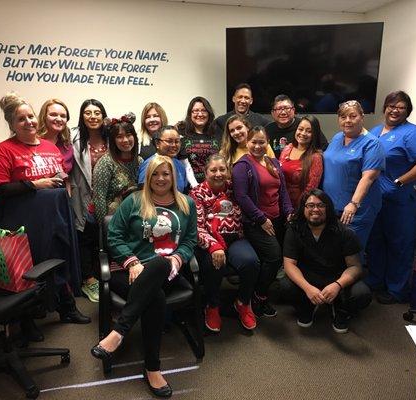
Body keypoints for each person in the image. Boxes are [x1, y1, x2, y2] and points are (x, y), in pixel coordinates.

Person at [91, 155, 197, 398]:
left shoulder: (187, 204)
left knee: (160, 264)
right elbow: (114, 236)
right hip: (129, 272)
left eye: (166, 173)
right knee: (155, 297)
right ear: (148, 177)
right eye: (156, 174)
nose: (161, 178)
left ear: (174, 176)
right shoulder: (133, 201)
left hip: (166, 271)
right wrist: (133, 262)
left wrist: (178, 258)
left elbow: (190, 239)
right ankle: (152, 368)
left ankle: (119, 332)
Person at [0, 92, 90, 328]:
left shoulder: (49, 147)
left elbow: (61, 177)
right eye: (21, 119)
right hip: (23, 221)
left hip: (55, 217)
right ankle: (27, 321)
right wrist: (34, 184)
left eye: (30, 116)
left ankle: (67, 308)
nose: (28, 122)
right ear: (12, 125)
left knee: (59, 260)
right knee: (28, 267)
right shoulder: (4, 150)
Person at [366, 91, 416, 304]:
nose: (395, 110)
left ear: (407, 111)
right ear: (385, 107)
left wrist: (400, 181)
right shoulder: (376, 131)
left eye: (401, 107)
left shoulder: (413, 133)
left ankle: (397, 290)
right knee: (375, 241)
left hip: (401, 199)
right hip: (376, 200)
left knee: (400, 244)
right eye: (391, 105)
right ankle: (376, 281)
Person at [283, 189, 372, 333]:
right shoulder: (294, 229)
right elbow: (289, 264)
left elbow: (355, 267)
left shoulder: (344, 232)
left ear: (328, 208)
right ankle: (308, 305)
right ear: (303, 208)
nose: (315, 209)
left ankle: (340, 308)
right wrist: (307, 288)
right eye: (310, 205)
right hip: (309, 277)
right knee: (285, 286)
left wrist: (337, 285)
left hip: (337, 278)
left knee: (362, 294)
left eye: (321, 205)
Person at [189, 154, 260, 331]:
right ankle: (212, 305)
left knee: (251, 262)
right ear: (205, 172)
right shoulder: (196, 193)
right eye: (213, 170)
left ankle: (243, 302)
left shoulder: (234, 189)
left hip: (235, 237)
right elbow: (196, 227)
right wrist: (213, 246)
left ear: (228, 171)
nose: (218, 173)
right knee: (215, 265)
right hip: (209, 241)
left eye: (222, 169)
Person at [232, 126, 293, 317]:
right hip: (255, 222)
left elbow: (282, 190)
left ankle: (257, 293)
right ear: (247, 142)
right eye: (254, 142)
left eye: (262, 142)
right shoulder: (242, 166)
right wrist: (261, 219)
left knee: (272, 259)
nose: (258, 146)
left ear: (267, 142)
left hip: (276, 220)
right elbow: (242, 197)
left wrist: (289, 210)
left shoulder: (272, 161)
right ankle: (258, 295)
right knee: (274, 257)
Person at [322, 100, 385, 249]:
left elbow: (368, 178)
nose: (347, 121)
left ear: (362, 117)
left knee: (351, 254)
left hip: (355, 212)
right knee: (333, 252)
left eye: (352, 116)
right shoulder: (337, 138)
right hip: (333, 209)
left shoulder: (372, 144)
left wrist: (353, 204)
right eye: (343, 117)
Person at [70, 99, 108, 303]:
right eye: (88, 113)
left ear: (103, 116)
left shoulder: (110, 137)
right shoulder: (73, 137)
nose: (93, 116)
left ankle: (102, 275)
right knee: (84, 236)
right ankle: (88, 278)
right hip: (82, 194)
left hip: (106, 197)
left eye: (97, 112)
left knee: (103, 237)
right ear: (82, 116)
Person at [92, 113, 142, 224]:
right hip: (114, 218)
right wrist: (105, 226)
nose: (125, 140)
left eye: (129, 135)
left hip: (137, 217)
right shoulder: (106, 163)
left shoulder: (140, 161)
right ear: (113, 140)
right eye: (119, 137)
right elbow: (99, 199)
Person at [279, 115, 324, 209]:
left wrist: (297, 209)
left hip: (300, 207)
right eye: (300, 129)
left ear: (314, 134)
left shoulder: (316, 157)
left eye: (309, 131)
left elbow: (311, 188)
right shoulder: (288, 148)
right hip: (280, 202)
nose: (303, 133)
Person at [176, 96, 222, 183]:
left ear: (209, 113)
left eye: (203, 110)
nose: (200, 114)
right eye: (196, 111)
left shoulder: (217, 132)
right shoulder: (181, 132)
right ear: (190, 114)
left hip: (215, 185)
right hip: (189, 188)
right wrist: (196, 187)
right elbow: (184, 165)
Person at [138, 126, 188, 192]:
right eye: (169, 141)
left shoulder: (180, 165)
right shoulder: (149, 164)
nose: (174, 145)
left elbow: (183, 190)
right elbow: (143, 192)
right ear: (157, 143)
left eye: (177, 141)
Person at [37, 99, 74, 174]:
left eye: (63, 116)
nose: (59, 119)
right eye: (53, 115)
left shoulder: (67, 146)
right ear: (44, 117)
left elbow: (66, 175)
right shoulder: (32, 142)